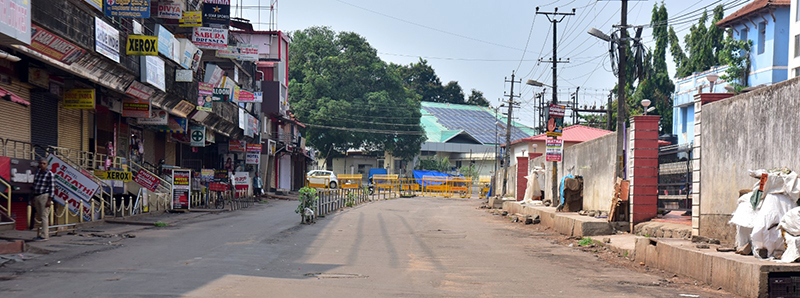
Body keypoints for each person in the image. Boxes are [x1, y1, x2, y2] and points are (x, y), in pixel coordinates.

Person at [32, 158, 54, 241]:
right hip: (37, 195)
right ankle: (41, 234)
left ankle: (45, 236)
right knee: (41, 216)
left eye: (44, 163)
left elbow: (52, 188)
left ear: (47, 165)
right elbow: (34, 185)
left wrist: (49, 200)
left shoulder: (49, 174)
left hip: (44, 196)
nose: (42, 165)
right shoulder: (37, 173)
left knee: (44, 216)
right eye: (41, 163)